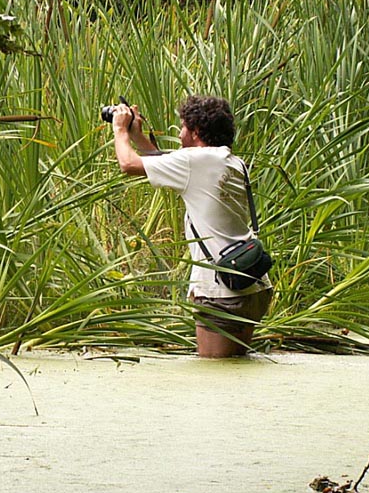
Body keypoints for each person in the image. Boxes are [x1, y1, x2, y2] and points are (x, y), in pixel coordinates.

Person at [111, 95, 273, 358]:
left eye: (183, 127)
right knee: (237, 374)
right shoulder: (229, 161)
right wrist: (138, 135)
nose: (180, 133)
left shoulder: (194, 163)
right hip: (252, 285)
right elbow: (161, 160)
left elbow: (128, 164)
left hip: (222, 291)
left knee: (215, 377)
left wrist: (120, 129)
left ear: (196, 132)